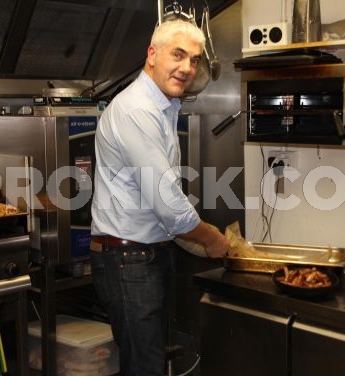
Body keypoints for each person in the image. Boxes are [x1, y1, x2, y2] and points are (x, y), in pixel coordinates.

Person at [89, 18, 230, 376]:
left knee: (147, 363)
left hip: (143, 257)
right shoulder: (138, 110)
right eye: (178, 55)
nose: (186, 68)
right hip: (128, 260)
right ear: (152, 54)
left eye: (194, 60)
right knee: (145, 368)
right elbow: (170, 207)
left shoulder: (163, 107)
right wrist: (213, 238)